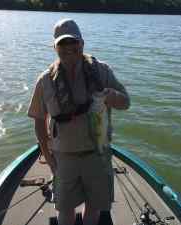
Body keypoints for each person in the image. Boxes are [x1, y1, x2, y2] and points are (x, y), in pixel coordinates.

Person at [28, 18, 130, 225]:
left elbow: (126, 102)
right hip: (63, 158)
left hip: (97, 155)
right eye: (62, 44)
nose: (68, 48)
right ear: (55, 47)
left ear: (82, 43)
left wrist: (110, 95)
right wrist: (49, 159)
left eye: (73, 42)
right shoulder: (45, 80)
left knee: (93, 207)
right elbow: (39, 121)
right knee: (64, 209)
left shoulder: (102, 71)